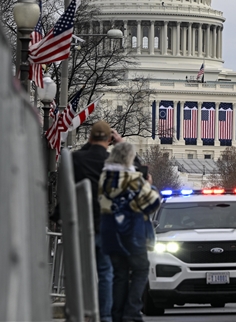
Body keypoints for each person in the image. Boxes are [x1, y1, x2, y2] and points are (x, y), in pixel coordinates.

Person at [51, 121, 122, 322]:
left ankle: (80, 312)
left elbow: (66, 190)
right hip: (108, 227)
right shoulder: (114, 162)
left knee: (79, 272)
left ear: (90, 138)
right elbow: (141, 172)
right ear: (109, 139)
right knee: (105, 273)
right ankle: (104, 316)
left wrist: (57, 215)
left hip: (81, 225)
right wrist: (120, 143)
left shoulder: (76, 159)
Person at [99, 141, 160, 322]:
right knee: (141, 270)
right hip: (133, 235)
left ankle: (117, 314)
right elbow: (153, 203)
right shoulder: (133, 180)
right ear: (128, 159)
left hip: (111, 234)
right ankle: (132, 311)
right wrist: (149, 185)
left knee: (120, 274)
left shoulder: (104, 178)